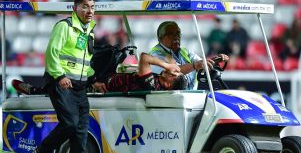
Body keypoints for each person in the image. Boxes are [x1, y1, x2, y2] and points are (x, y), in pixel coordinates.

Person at [30, 0, 101, 153]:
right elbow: (51, 53)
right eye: (85, 6)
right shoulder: (64, 26)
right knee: (69, 123)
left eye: (92, 7)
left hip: (80, 87)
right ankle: (43, 151)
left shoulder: (88, 31)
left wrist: (93, 79)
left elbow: (83, 62)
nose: (89, 11)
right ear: (75, 8)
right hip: (62, 83)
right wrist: (60, 75)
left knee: (80, 131)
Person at [12, 52, 187, 95]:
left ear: (169, 84)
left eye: (173, 74)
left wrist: (165, 64)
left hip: (102, 87)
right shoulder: (161, 82)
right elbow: (172, 61)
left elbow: (144, 57)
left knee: (67, 82)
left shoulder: (152, 84)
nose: (170, 70)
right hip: (107, 77)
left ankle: (35, 91)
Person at [149, 21, 229, 90]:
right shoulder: (156, 54)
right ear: (160, 37)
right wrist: (195, 65)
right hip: (170, 100)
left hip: (191, 98)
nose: (176, 37)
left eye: (178, 34)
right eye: (171, 34)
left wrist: (216, 59)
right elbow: (174, 71)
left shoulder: (185, 51)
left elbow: (201, 63)